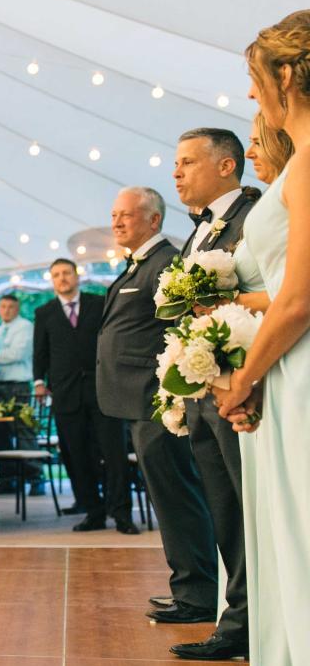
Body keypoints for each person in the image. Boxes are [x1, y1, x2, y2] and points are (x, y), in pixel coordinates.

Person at [214, 10, 310, 666]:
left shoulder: (308, 164)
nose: (253, 99)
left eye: (255, 82)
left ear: (284, 76)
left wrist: (242, 378)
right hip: (284, 369)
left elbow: (299, 296)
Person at [95, 186, 218, 625]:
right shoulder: (137, 265)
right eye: (113, 215)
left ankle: (198, 595)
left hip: (154, 399)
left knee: (177, 496)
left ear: (153, 220)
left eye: (127, 214)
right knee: (169, 496)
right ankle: (187, 586)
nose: (117, 222)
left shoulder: (164, 262)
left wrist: (170, 395)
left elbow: (176, 331)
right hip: (134, 401)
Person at [163, 128, 260, 662]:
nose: (176, 172)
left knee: (249, 511)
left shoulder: (253, 217)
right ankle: (238, 619)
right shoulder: (197, 231)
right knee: (224, 512)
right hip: (202, 391)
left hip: (238, 390)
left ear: (226, 166)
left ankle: (252, 627)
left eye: (186, 162)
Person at [33, 259, 134, 534]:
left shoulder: (98, 303)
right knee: (77, 456)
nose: (62, 278)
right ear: (52, 281)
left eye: (66, 273)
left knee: (114, 454)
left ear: (77, 276)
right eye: (56, 275)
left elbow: (114, 340)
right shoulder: (44, 312)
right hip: (66, 394)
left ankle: (122, 513)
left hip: (104, 390)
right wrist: (39, 381)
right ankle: (93, 511)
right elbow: (40, 352)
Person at [0, 294, 39, 488]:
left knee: (24, 430)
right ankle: (7, 479)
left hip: (18, 385)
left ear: (17, 308)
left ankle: (35, 478)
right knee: (0, 433)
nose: (6, 310)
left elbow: (19, 352)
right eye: (3, 307)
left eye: (10, 307)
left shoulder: (25, 327)